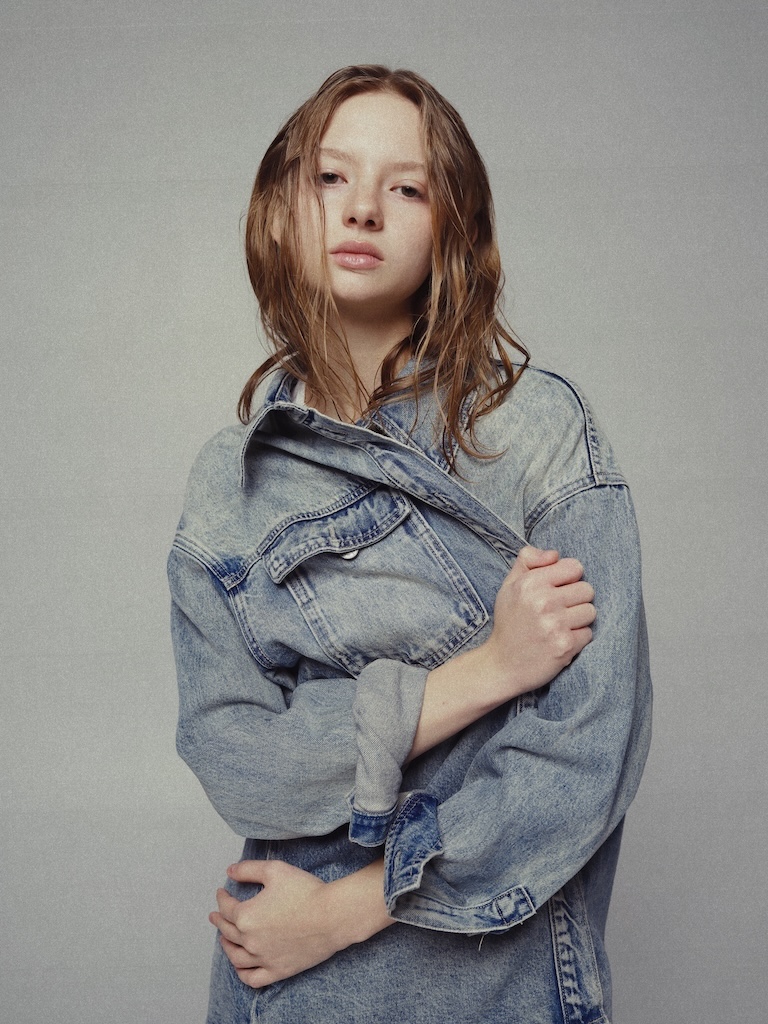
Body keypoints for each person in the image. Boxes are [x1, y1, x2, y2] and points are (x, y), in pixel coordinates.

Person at [168, 65, 652, 1024]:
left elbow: (588, 754)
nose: (362, 210)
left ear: (450, 228)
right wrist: (486, 672)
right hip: (286, 990)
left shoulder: (536, 431)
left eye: (407, 188)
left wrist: (347, 911)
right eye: (331, 177)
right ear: (281, 212)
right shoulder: (229, 482)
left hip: (493, 986)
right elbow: (237, 761)